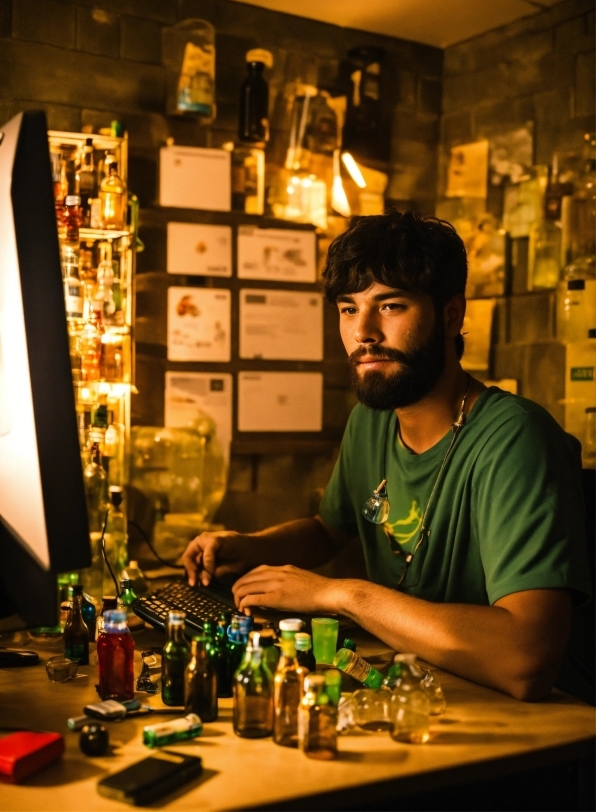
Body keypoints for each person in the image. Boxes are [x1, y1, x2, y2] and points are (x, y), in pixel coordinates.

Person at [182, 211, 592, 703]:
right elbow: (328, 530)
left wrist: (342, 595)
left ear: (451, 316)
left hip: (530, 732)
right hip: (413, 695)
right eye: (349, 309)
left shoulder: (515, 440)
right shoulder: (372, 420)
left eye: (390, 306)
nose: (364, 333)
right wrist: (251, 547)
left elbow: (526, 659)